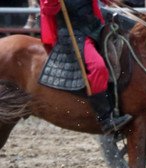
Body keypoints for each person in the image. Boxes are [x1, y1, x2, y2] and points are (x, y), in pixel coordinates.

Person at [38, 0, 130, 134]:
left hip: (95, 26)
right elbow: (48, 9)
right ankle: (105, 119)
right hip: (73, 34)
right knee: (98, 68)